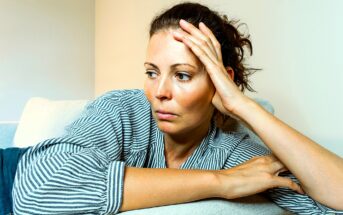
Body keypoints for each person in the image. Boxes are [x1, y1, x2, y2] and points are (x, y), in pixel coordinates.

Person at [12, 2, 343, 214]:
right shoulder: (123, 109)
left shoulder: (234, 151)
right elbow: (37, 189)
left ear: (219, 80)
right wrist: (220, 182)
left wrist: (240, 104)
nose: (159, 92)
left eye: (182, 75)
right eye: (152, 72)